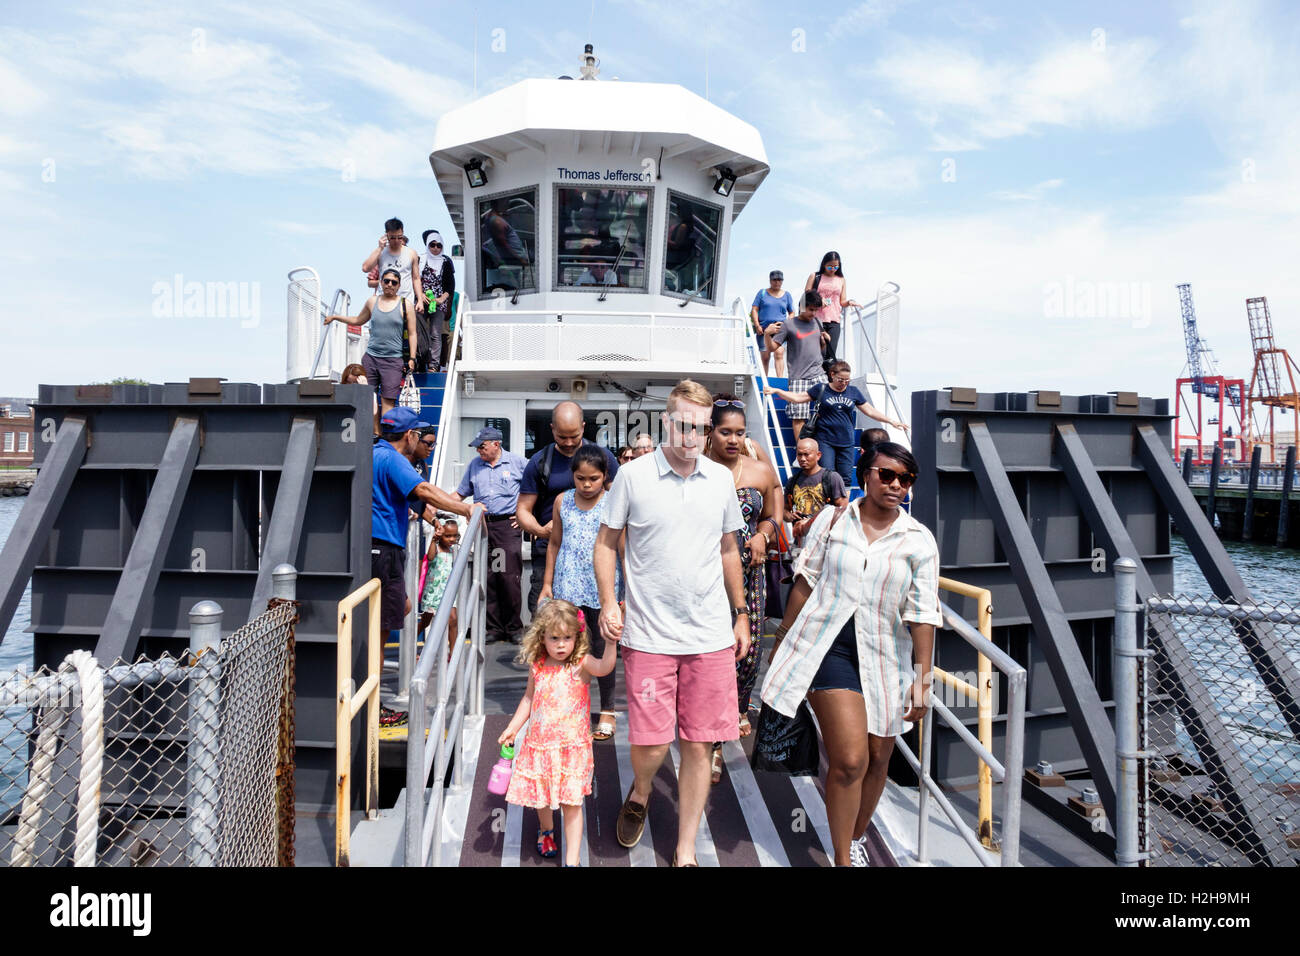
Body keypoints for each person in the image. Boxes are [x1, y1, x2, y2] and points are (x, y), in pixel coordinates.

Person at [761, 442, 941, 866]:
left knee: (880, 756)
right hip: (828, 647)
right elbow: (805, 580)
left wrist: (923, 677)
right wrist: (783, 635)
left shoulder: (919, 540)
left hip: (885, 656)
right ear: (866, 474)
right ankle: (842, 857)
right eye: (887, 475)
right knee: (849, 760)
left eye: (906, 479)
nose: (896, 484)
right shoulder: (834, 518)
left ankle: (856, 835)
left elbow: (922, 614)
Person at [595, 379, 749, 867]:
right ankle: (641, 792)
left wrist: (741, 612)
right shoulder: (633, 477)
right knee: (652, 742)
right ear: (667, 421)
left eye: (700, 429)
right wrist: (608, 602)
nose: (691, 437)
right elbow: (606, 543)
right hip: (648, 635)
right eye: (683, 425)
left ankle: (685, 850)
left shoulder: (721, 480)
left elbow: (729, 550)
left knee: (700, 744)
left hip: (708, 635)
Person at [370, 407, 478, 724]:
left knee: (400, 608)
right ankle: (374, 709)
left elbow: (415, 501)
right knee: (378, 629)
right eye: (420, 436)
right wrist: (464, 509)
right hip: (383, 550)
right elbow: (423, 490)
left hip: (381, 549)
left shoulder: (376, 454)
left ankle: (368, 701)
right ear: (410, 436)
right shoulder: (392, 459)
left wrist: (435, 521)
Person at [498, 599, 619, 866]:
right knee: (542, 797)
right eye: (555, 638)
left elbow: (605, 668)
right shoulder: (538, 666)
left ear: (577, 636)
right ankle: (546, 829)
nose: (562, 644)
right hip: (540, 745)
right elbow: (529, 700)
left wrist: (611, 643)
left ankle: (572, 859)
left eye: (568, 637)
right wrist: (512, 728)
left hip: (571, 748)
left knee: (572, 803)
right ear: (542, 637)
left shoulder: (581, 663)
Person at [705, 394, 783, 784]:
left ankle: (735, 708)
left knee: (747, 652)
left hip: (748, 577)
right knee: (711, 656)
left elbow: (773, 516)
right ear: (710, 432)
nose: (733, 440)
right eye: (725, 432)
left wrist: (763, 535)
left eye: (739, 433)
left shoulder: (761, 471)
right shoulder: (697, 470)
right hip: (704, 576)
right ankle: (714, 741)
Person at [540, 444, 625, 741]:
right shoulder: (562, 501)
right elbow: (554, 543)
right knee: (567, 650)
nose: (587, 485)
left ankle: (608, 711)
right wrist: (547, 584)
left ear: (604, 476)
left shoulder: (613, 502)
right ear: (573, 477)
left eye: (594, 479)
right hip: (568, 589)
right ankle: (568, 706)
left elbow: (622, 549)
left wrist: (625, 591)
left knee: (602, 650)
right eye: (580, 479)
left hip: (602, 589)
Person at [516, 402, 619, 615]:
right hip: (550, 548)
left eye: (574, 435)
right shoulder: (539, 462)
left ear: (583, 426)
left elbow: (619, 501)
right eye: (562, 437)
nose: (569, 443)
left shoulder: (603, 458)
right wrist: (541, 530)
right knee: (546, 617)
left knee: (596, 618)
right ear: (552, 428)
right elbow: (523, 510)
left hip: (597, 548)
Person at [764, 360, 908, 488]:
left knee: (845, 477)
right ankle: (827, 509)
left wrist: (891, 421)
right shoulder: (821, 389)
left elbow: (869, 411)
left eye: (847, 380)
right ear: (832, 375)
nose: (844, 383)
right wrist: (777, 390)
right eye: (841, 380)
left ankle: (841, 508)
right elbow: (797, 398)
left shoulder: (853, 392)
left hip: (846, 441)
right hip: (825, 440)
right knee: (828, 475)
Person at [453, 426, 526, 644]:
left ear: (496, 444)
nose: (479, 452)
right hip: (485, 527)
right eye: (477, 448)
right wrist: (433, 506)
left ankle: (514, 628)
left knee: (509, 577)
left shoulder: (518, 463)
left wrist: (525, 516)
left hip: (507, 526)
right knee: (490, 577)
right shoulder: (475, 466)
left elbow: (535, 490)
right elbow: (460, 494)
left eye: (482, 447)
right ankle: (493, 628)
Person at [325, 267, 418, 422]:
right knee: (369, 400)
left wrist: (412, 358)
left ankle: (384, 441)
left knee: (388, 402)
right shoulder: (372, 301)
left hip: (393, 360)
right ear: (381, 282)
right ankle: (371, 437)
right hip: (371, 358)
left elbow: (413, 333)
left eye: (394, 282)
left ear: (399, 286)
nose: (389, 284)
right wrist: (335, 317)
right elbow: (358, 320)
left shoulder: (405, 304)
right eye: (386, 281)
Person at [764, 290, 830, 446]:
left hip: (819, 374)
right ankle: (802, 453)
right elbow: (773, 348)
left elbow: (821, 349)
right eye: (811, 309)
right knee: (799, 417)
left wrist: (825, 341)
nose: (813, 313)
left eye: (816, 309)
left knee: (828, 411)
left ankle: (821, 449)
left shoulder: (817, 322)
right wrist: (767, 334)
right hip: (798, 377)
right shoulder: (789, 324)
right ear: (802, 306)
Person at [785, 437, 849, 545]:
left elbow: (843, 511)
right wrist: (790, 516)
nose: (803, 458)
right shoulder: (793, 481)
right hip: (801, 542)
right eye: (799, 455)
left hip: (825, 542)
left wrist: (816, 520)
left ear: (818, 455)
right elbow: (784, 510)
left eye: (807, 454)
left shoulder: (831, 478)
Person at [804, 251, 859, 361]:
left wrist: (849, 302)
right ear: (824, 264)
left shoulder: (841, 280)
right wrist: (819, 299)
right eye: (830, 267)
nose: (833, 269)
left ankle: (828, 377)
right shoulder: (815, 276)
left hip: (834, 320)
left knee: (830, 353)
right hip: (816, 318)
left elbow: (842, 301)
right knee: (818, 351)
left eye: (836, 267)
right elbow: (807, 294)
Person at [419, 514, 460, 658]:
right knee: (426, 620)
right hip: (434, 590)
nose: (452, 539)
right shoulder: (436, 547)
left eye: (455, 536)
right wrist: (434, 540)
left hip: (448, 590)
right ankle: (411, 644)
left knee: (453, 619)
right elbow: (430, 557)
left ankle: (453, 653)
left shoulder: (454, 550)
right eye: (448, 536)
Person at [363, 218, 423, 310]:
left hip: (405, 301)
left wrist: (419, 300)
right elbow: (365, 268)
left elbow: (416, 278)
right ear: (386, 234)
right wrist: (379, 248)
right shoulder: (381, 252)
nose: (396, 241)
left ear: (403, 233)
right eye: (392, 237)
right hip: (383, 301)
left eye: (399, 237)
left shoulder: (411, 253)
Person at [418, 230, 455, 373]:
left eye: (439, 245)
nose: (435, 248)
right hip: (422, 300)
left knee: (436, 333)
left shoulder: (445, 262)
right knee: (420, 332)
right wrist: (420, 295)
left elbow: (450, 285)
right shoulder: (420, 259)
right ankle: (421, 361)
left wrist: (441, 300)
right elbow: (415, 279)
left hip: (439, 302)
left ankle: (434, 365)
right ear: (427, 245)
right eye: (432, 245)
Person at [751, 270, 794, 376]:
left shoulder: (787, 295)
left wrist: (787, 324)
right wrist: (757, 325)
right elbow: (754, 309)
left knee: (779, 354)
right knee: (765, 356)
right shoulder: (762, 293)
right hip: (764, 329)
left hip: (780, 329)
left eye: (779, 280)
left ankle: (779, 379)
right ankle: (764, 380)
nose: (777, 282)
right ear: (770, 281)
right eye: (774, 280)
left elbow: (792, 312)